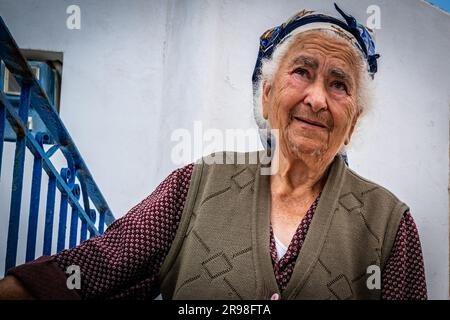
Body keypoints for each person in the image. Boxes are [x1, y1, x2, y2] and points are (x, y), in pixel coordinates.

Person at [0, 4, 427, 300]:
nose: (317, 98)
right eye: (302, 71)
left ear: (351, 123)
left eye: (339, 84)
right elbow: (99, 267)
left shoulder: (390, 226)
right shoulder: (197, 185)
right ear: (266, 97)